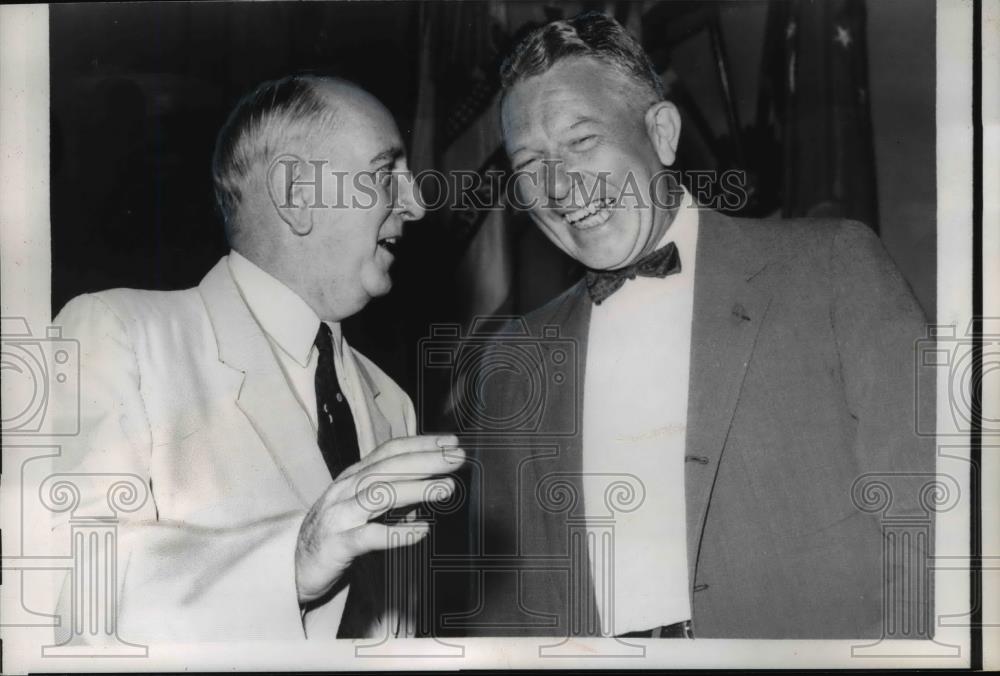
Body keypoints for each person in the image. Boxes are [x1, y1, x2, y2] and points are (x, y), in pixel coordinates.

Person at [461, 13, 934, 639]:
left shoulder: (831, 268)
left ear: (661, 133)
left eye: (581, 142)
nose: (558, 186)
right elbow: (505, 609)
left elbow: (931, 515)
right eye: (529, 163)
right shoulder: (511, 361)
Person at [50, 75, 464, 642]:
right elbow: (70, 592)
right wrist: (293, 561)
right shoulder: (117, 335)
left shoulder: (391, 402)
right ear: (296, 194)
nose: (416, 202)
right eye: (384, 172)